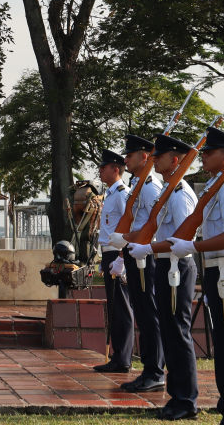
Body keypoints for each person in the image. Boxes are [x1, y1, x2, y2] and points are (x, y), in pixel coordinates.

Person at [168, 126, 224, 425]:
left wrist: (193, 245)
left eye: (209, 152)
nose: (203, 157)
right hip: (217, 270)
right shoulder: (216, 187)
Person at [128, 134, 199, 421]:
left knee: (178, 334)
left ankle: (186, 400)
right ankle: (176, 397)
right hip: (165, 265)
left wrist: (147, 246)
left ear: (176, 160)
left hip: (177, 266)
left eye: (159, 156)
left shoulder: (181, 193)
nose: (153, 161)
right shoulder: (169, 191)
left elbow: (181, 237)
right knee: (170, 333)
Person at [113, 135, 165, 392]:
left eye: (130, 155)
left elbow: (153, 226)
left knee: (148, 313)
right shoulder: (140, 184)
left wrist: (129, 241)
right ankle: (149, 368)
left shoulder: (151, 186)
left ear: (145, 157)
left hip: (145, 257)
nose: (125, 159)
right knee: (142, 313)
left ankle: (155, 370)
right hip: (135, 254)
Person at [92, 150, 133, 373]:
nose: (100, 170)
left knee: (122, 307)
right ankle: (118, 355)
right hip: (109, 253)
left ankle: (123, 357)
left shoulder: (122, 194)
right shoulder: (111, 194)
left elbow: (128, 228)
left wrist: (121, 258)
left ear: (115, 170)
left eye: (103, 167)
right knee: (115, 306)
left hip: (119, 254)